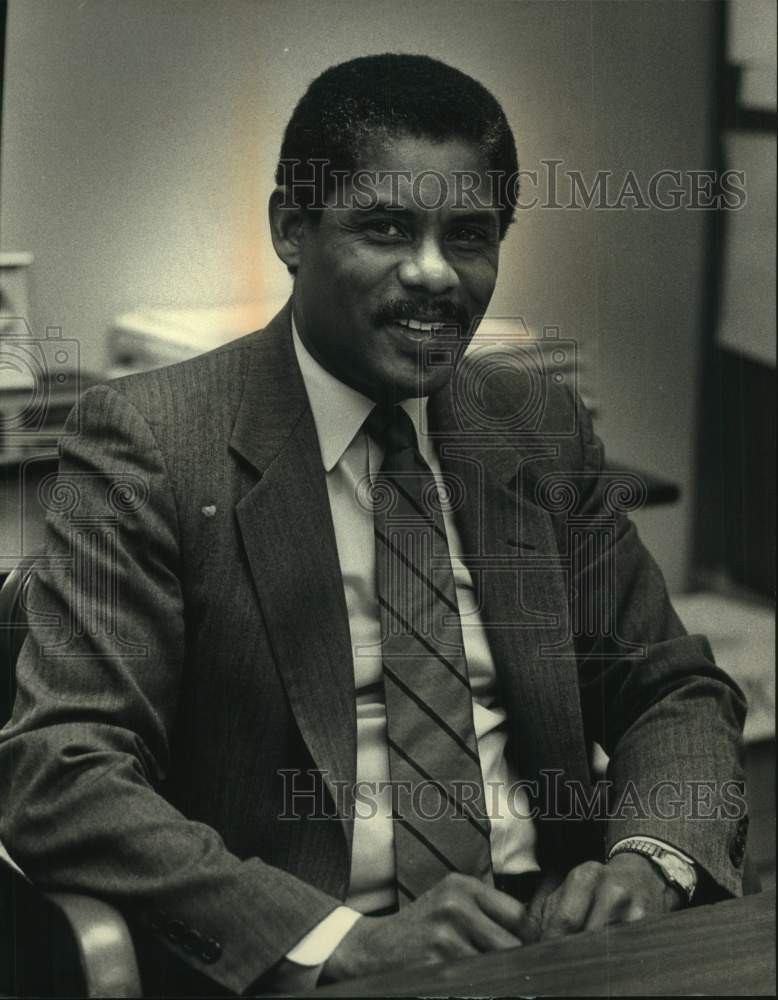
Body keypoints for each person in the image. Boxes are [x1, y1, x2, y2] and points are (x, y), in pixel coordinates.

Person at [0, 54, 748, 996]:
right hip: (306, 954)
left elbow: (673, 691)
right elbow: (62, 772)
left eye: (469, 235)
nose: (434, 273)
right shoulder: (150, 442)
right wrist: (339, 941)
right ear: (292, 228)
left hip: (553, 949)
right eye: (387, 227)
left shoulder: (537, 429)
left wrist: (647, 860)